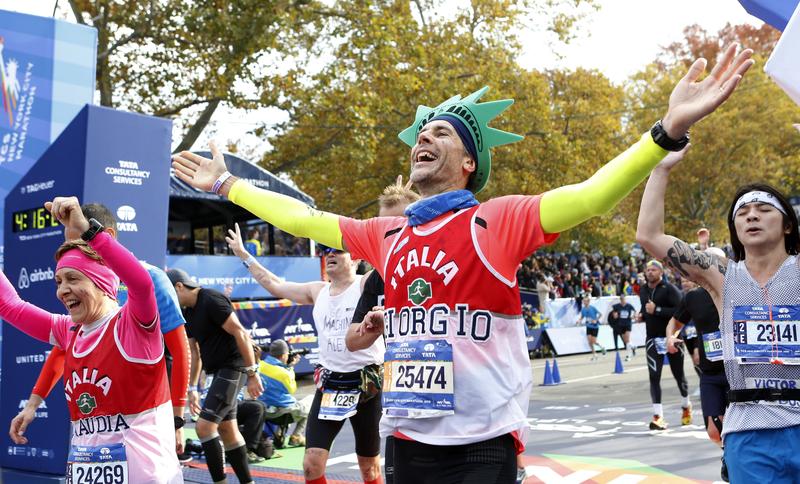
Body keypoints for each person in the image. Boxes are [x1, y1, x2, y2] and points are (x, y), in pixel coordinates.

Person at [172, 43, 753, 482]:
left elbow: (594, 192)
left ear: (469, 162)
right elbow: (305, 218)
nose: (423, 139)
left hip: (481, 446)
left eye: (441, 132)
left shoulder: (496, 220)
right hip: (405, 440)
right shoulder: (387, 232)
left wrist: (666, 130)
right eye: (420, 133)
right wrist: (228, 185)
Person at [637, 146, 800, 482]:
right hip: (749, 434)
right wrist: (661, 168)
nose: (752, 216)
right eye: (743, 212)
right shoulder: (722, 275)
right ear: (735, 229)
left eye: (764, 209)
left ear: (787, 225)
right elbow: (649, 236)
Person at [1, 196, 182, 483]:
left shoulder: (132, 326)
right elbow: (10, 305)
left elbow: (140, 283)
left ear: (101, 282)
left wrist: (89, 231)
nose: (62, 291)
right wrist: (34, 403)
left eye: (73, 279)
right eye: (59, 281)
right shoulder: (69, 331)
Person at [226, 224, 383, 484]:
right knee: (311, 464)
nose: (329, 254)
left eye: (337, 249)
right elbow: (273, 283)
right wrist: (244, 254)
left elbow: (389, 261)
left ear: (355, 257)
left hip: (366, 387)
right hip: (330, 386)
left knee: (370, 468)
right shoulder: (317, 290)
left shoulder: (365, 284)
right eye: (324, 250)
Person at [345, 177, 419, 484]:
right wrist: (374, 327)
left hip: (457, 411)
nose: (387, 235)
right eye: (381, 227)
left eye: (397, 225)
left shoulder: (436, 264)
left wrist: (397, 316)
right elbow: (352, 341)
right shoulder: (377, 279)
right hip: (401, 401)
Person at [168, 268, 263, 484]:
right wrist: (192, 389)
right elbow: (194, 352)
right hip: (217, 371)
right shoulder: (188, 312)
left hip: (234, 366)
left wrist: (252, 373)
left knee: (204, 427)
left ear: (180, 286)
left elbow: (240, 332)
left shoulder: (211, 299)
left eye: (170, 294)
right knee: (227, 429)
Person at [666, 247, 729, 482]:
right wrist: (671, 336)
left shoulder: (739, 290)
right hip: (710, 373)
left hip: (738, 372)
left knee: (739, 429)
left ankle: (736, 462)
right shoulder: (694, 297)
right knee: (714, 433)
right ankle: (728, 455)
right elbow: (674, 322)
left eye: (719, 262)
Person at [637, 258, 689, 430]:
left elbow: (681, 311)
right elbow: (646, 310)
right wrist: (641, 315)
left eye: (653, 270)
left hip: (671, 338)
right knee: (654, 377)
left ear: (661, 272)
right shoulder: (643, 290)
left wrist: (657, 310)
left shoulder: (669, 289)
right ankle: (658, 416)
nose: (649, 272)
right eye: (648, 270)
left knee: (678, 375)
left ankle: (686, 406)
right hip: (652, 338)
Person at [256, 340, 310, 448]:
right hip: (282, 414)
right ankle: (296, 436)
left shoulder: (260, 365)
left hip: (265, 411)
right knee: (311, 401)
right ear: (284, 355)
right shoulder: (284, 373)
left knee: (289, 402)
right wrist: (291, 367)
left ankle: (280, 434)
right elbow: (292, 389)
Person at [609, 294, 636, 361]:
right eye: (621, 299)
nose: (622, 300)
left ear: (625, 299)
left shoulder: (629, 306)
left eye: (623, 299)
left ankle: (628, 355)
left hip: (628, 324)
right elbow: (613, 312)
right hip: (621, 325)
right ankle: (633, 347)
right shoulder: (617, 306)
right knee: (625, 341)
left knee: (627, 339)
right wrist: (615, 315)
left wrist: (633, 316)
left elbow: (634, 311)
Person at [578, 294, 605, 360]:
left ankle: (602, 347)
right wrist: (579, 320)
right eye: (583, 301)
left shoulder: (592, 308)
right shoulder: (583, 309)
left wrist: (596, 320)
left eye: (585, 301)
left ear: (588, 302)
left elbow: (601, 314)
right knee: (589, 342)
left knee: (594, 341)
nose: (584, 302)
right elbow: (582, 316)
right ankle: (594, 354)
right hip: (588, 326)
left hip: (595, 327)